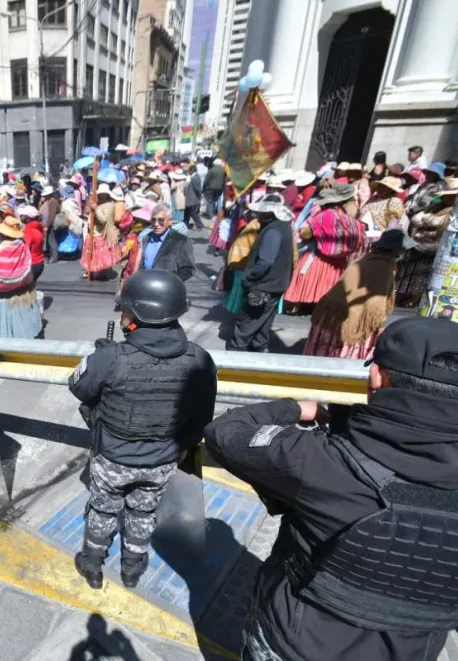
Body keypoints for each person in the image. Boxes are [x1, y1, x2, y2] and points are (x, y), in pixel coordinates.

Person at [206, 316, 458, 661]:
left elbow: (227, 432)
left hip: (297, 643)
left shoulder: (321, 462)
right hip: (415, 650)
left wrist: (296, 408)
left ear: (376, 375)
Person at [70, 269, 217, 589]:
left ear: (139, 314)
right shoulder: (200, 359)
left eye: (125, 309)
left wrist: (98, 357)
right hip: (163, 459)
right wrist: (184, 446)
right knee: (143, 513)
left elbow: (79, 388)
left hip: (112, 457)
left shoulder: (110, 358)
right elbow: (203, 417)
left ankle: (93, 566)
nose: (121, 314)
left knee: (102, 511)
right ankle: (132, 570)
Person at [303, 229, 407, 359]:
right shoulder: (384, 268)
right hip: (352, 315)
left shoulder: (364, 259)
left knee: (322, 354)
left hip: (332, 311)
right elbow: (375, 303)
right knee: (344, 353)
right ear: (396, 251)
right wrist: (380, 326)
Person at [227, 194, 296, 353]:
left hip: (264, 285)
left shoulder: (272, 230)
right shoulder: (283, 226)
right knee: (264, 322)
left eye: (261, 212)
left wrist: (250, 276)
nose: (257, 214)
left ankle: (235, 353)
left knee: (247, 322)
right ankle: (259, 348)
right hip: (276, 284)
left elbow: (265, 261)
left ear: (269, 213)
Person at [283, 183, 363, 309]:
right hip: (339, 262)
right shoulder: (350, 219)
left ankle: (305, 304)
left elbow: (306, 234)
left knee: (313, 282)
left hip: (319, 258)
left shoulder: (324, 216)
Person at [396, 181, 458, 307]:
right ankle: (403, 294)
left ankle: (414, 298)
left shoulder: (454, 210)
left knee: (421, 275)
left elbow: (438, 223)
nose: (447, 197)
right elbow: (415, 216)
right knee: (407, 271)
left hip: (431, 247)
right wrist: (425, 219)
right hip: (416, 242)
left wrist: (425, 219)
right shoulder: (435, 205)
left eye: (450, 195)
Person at [136, 204, 195, 281]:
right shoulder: (146, 238)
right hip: (146, 286)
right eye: (153, 220)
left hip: (167, 289)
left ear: (170, 221)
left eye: (161, 220)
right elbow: (141, 266)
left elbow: (188, 270)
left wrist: (169, 281)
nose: (156, 224)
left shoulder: (181, 241)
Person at [82, 184, 122, 279]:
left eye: (104, 194)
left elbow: (103, 220)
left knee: (101, 255)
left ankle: (101, 272)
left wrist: (96, 209)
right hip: (93, 231)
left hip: (101, 233)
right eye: (100, 194)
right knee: (92, 253)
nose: (101, 196)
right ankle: (91, 270)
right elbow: (87, 213)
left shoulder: (109, 205)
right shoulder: (98, 202)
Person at [20, 205, 47, 282]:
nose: (21, 217)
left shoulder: (29, 231)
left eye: (22, 215)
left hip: (31, 263)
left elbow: (25, 249)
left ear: (28, 219)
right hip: (39, 262)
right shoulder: (38, 228)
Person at [185, 165, 203, 230]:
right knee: (187, 212)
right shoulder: (193, 177)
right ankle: (185, 224)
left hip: (193, 199)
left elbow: (197, 189)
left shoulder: (195, 178)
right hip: (191, 198)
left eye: (189, 171)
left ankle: (199, 225)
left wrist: (199, 197)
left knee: (193, 213)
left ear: (192, 170)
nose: (188, 172)